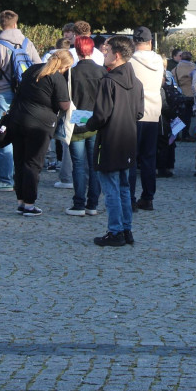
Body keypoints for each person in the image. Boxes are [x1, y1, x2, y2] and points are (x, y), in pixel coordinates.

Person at [79, 36, 144, 246]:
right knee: (124, 187)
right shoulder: (137, 82)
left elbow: (101, 116)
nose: (103, 55)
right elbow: (140, 112)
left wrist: (86, 126)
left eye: (106, 52)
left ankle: (115, 231)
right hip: (128, 139)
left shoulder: (109, 81)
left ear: (116, 56)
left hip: (110, 140)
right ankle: (126, 230)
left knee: (112, 189)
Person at [0, 10, 43, 192]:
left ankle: (5, 179)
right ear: (16, 24)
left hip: (3, 94)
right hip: (25, 95)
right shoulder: (27, 43)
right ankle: (22, 176)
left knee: (4, 134)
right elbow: (39, 67)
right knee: (23, 134)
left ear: (1, 25)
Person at [8, 50, 72, 216]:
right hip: (40, 124)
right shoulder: (57, 77)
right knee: (33, 164)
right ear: (63, 65)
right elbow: (64, 104)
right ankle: (30, 204)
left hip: (19, 119)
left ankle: (20, 201)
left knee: (19, 160)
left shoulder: (32, 70)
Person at [64, 36, 106, 216]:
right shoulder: (102, 72)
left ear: (77, 49)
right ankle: (93, 204)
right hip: (96, 122)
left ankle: (79, 204)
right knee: (94, 164)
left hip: (77, 122)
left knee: (79, 165)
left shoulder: (71, 73)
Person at [128, 27, 164, 210]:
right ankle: (148, 197)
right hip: (153, 112)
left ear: (134, 42)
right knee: (149, 157)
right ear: (150, 42)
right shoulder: (159, 60)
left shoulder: (129, 61)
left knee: (131, 158)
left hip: (134, 112)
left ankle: (130, 198)